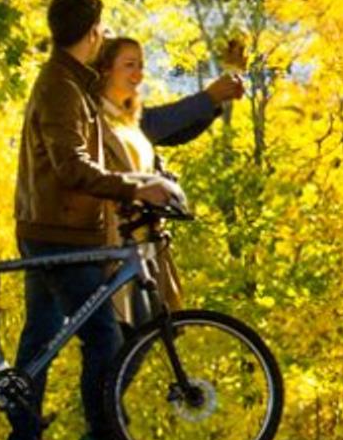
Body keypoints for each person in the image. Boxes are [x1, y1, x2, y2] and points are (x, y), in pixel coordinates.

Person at [8, 0, 171, 440]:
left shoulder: (70, 80)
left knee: (39, 335)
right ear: (93, 32)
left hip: (52, 222)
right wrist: (133, 188)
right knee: (103, 336)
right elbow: (70, 167)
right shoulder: (62, 86)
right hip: (60, 228)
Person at [91, 36, 247, 319]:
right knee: (116, 340)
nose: (138, 74)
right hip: (114, 242)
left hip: (139, 241)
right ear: (105, 70)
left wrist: (214, 100)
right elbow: (160, 124)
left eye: (140, 65)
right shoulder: (98, 116)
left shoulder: (127, 116)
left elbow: (172, 131)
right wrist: (209, 97)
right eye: (129, 65)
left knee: (133, 342)